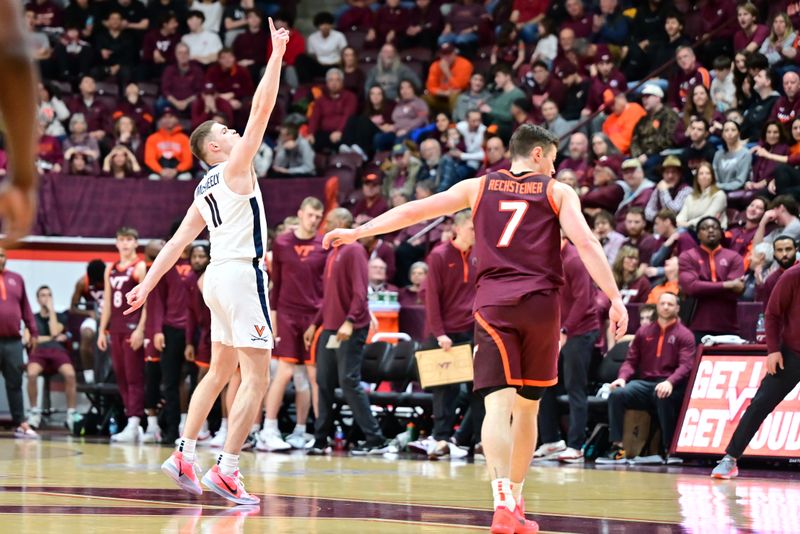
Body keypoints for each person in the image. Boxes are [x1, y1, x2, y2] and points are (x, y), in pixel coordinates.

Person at [321, 124, 628, 532]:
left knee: (497, 406)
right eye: (552, 158)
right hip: (541, 306)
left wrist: (360, 231)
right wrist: (616, 297)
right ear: (537, 154)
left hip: (494, 305)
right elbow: (587, 244)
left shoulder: (478, 187)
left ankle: (501, 501)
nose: (554, 167)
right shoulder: (557, 192)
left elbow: (416, 209)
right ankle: (516, 504)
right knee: (528, 409)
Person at [124, 19, 290, 506]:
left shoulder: (203, 188)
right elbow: (261, 109)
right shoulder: (235, 168)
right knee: (256, 375)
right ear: (216, 149)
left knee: (218, 371)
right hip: (240, 273)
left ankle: (183, 453)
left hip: (213, 278)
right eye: (227, 130)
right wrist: (276, 56)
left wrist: (147, 286)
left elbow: (175, 244)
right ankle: (228, 469)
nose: (236, 131)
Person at [304, 208, 395, 456]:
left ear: (343, 223)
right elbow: (328, 297)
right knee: (323, 381)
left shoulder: (354, 250)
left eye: (331, 222)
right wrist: (315, 323)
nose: (326, 225)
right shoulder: (333, 252)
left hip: (350, 327)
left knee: (348, 381)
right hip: (330, 327)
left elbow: (359, 292)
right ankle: (321, 439)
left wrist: (350, 321)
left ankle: (376, 439)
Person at [711, 260, 800, 479]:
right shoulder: (793, 275)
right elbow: (772, 314)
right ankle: (730, 459)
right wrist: (772, 350)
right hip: (791, 353)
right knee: (761, 403)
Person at [259, 197, 327, 452]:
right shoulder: (282, 242)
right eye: (310, 215)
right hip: (286, 314)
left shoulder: (324, 245)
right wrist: (274, 320)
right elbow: (275, 287)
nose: (314, 220)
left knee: (313, 376)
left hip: (313, 316)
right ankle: (269, 429)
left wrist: (318, 320)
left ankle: (313, 433)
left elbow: (326, 287)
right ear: (300, 214)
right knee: (284, 371)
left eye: (318, 217)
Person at [601, 292, 696, 462]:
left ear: (677, 308)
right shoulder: (644, 332)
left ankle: (670, 449)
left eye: (670, 304)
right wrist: (622, 378)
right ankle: (618, 447)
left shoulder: (685, 335)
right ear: (657, 306)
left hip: (671, 385)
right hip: (645, 384)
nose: (666, 307)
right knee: (617, 393)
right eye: (663, 303)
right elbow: (631, 361)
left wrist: (670, 382)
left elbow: (686, 366)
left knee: (663, 394)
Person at [422, 210, 481, 458]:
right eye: (471, 228)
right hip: (445, 334)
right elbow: (431, 297)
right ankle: (441, 438)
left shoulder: (481, 255)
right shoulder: (439, 255)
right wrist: (439, 333)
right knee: (444, 391)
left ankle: (475, 439)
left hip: (472, 331)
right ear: (457, 229)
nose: (476, 233)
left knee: (480, 388)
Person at [535, 237, 600, 463]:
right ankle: (551, 440)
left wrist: (565, 328)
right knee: (543, 385)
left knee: (575, 388)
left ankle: (576, 446)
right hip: (556, 330)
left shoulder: (574, 259)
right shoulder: (546, 258)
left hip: (580, 331)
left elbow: (584, 299)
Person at [97, 227, 148, 442]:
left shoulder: (140, 267)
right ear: (116, 243)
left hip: (132, 327)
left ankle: (134, 421)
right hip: (115, 328)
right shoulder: (111, 268)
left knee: (134, 376)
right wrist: (102, 330)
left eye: (129, 240)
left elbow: (148, 301)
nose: (125, 243)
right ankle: (131, 421)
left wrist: (141, 329)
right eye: (121, 240)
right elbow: (107, 303)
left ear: (136, 243)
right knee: (121, 377)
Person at [678, 217, 745, 341]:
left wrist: (703, 286)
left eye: (714, 227)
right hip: (696, 325)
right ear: (698, 234)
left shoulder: (734, 257)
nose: (710, 230)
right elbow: (691, 287)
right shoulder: (687, 257)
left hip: (728, 325)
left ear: (721, 233)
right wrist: (728, 285)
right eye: (705, 228)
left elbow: (737, 289)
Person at [27, 286, 80, 433]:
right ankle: (34, 412)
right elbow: (30, 339)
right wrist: (52, 338)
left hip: (57, 350)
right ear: (37, 299)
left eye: (49, 295)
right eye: (43, 295)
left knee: (70, 374)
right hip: (39, 352)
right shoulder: (32, 317)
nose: (46, 298)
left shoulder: (59, 316)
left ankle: (71, 414)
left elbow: (55, 330)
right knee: (31, 374)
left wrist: (51, 311)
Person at [0, 248, 39, 438]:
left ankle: (21, 423)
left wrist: (33, 330)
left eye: (2, 254)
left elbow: (26, 307)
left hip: (13, 342)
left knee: (15, 383)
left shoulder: (17, 278)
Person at [70, 259, 106, 383]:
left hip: (112, 318)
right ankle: (89, 374)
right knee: (86, 335)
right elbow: (73, 308)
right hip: (93, 318)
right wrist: (89, 313)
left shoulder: (112, 280)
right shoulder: (82, 283)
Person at [677, 162, 728, 230]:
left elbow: (709, 217)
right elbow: (682, 215)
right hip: (691, 230)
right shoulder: (690, 197)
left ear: (712, 177)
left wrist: (688, 224)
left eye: (708, 173)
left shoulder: (719, 195)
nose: (704, 176)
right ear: (697, 177)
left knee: (681, 233)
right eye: (701, 173)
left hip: (711, 231)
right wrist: (680, 222)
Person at [756, 235, 797, 306]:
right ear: (774, 253)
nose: (784, 254)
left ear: (796, 250)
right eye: (780, 250)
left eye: (788, 249)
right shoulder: (771, 280)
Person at [713, 120, 752, 192]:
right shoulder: (718, 154)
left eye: (733, 130)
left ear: (739, 133)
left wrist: (718, 187)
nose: (729, 133)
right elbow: (714, 177)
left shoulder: (745, 154)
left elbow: (740, 181)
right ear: (722, 134)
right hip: (718, 191)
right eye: (726, 130)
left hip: (736, 192)